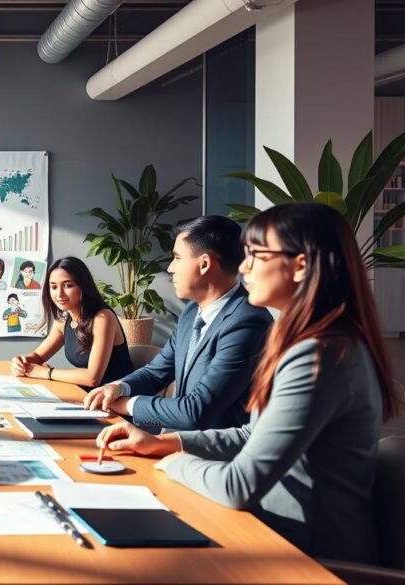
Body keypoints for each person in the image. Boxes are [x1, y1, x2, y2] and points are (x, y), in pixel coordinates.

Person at [96, 203, 399, 564]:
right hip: (278, 532)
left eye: (256, 255)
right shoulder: (314, 342)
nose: (243, 266)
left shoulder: (319, 356)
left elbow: (239, 486)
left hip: (309, 556)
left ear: (300, 265)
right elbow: (248, 435)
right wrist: (162, 443)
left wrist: (174, 462)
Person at [84, 216, 273, 431]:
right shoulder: (192, 311)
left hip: (213, 457)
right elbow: (157, 372)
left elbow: (196, 411)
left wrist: (126, 405)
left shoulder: (247, 323)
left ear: (204, 264)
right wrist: (116, 388)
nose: (171, 268)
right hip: (174, 443)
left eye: (177, 257)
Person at [12, 257, 134, 389]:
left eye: (68, 285)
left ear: (83, 286)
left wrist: (46, 372)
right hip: (89, 394)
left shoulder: (103, 318)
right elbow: (38, 356)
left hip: (117, 397)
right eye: (53, 287)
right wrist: (21, 362)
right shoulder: (63, 320)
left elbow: (92, 378)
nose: (59, 294)